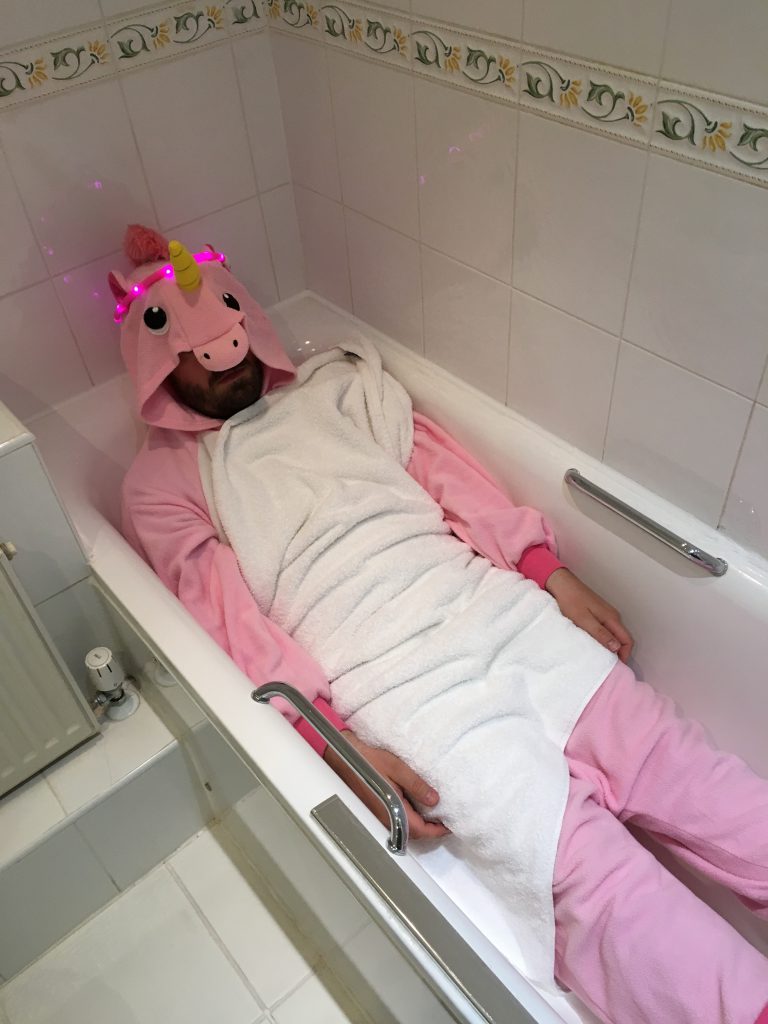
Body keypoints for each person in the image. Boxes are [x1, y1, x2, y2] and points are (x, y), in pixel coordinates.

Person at [116, 225, 768, 1024]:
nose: (226, 357)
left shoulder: (337, 391)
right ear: (157, 367)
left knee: (672, 757)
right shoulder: (167, 481)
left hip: (487, 606)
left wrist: (548, 573)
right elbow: (231, 624)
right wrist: (334, 742)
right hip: (395, 682)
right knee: (578, 869)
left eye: (230, 330)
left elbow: (451, 480)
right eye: (196, 355)